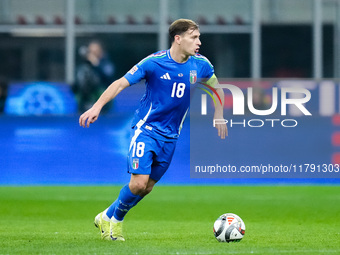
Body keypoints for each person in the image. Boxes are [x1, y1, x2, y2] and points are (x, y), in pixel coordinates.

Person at [79, 19, 228, 241]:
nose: (199, 42)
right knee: (138, 183)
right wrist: (97, 106)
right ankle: (115, 225)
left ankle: (106, 215)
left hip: (171, 135)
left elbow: (216, 88)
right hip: (147, 130)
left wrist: (219, 115)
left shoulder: (201, 64)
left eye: (199, 37)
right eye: (194, 37)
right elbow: (120, 83)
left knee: (146, 187)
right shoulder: (154, 63)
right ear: (178, 39)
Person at [74, 40, 115, 112]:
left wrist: (96, 64)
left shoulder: (105, 64)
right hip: (85, 102)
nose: (92, 54)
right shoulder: (83, 66)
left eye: (95, 51)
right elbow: (76, 85)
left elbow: (108, 79)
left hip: (103, 103)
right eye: (90, 52)